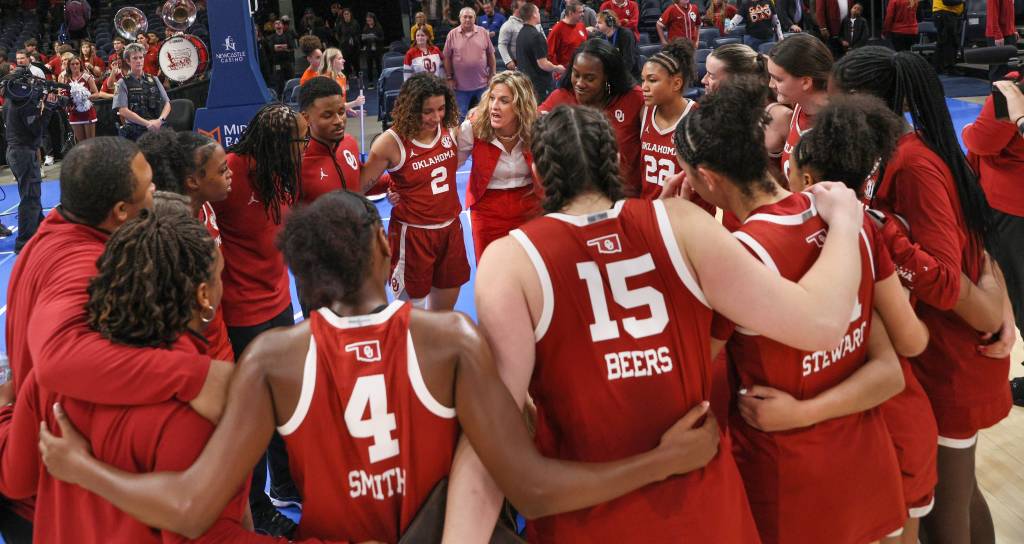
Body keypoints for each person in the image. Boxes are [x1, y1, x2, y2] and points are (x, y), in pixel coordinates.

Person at [33, 190, 734, 543]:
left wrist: (78, 469)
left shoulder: (274, 360)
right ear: (380, 249)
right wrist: (661, 462)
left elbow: (188, 507)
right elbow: (536, 490)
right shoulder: (450, 340)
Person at [442, 99, 870, 542]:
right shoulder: (681, 223)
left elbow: (490, 439)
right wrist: (843, 222)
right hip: (702, 511)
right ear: (617, 161)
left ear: (537, 173)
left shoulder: (510, 261)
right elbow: (822, 321)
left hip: (590, 516)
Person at [0, 206, 289, 543]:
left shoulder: (49, 381)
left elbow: (15, 479)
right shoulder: (203, 407)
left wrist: (5, 411)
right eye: (218, 275)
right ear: (204, 297)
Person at [701, 81, 906, 544]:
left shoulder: (739, 257)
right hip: (863, 456)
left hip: (790, 473)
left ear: (707, 177)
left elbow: (697, 374)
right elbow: (892, 368)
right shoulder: (846, 222)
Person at [0, 137, 229, 540]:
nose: (157, 190)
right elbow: (56, 360)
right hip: (68, 495)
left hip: (52, 490)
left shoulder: (46, 240)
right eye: (149, 186)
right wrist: (195, 375)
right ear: (121, 211)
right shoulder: (84, 266)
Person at [832, 47, 1013, 544]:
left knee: (942, 510)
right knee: (959, 495)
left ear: (869, 102)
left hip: (954, 357)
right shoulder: (895, 152)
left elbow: (946, 280)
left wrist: (884, 235)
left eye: (840, 97)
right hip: (940, 347)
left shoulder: (914, 164)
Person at [787, 95, 939, 543]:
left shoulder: (799, 243)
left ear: (808, 179)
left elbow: (905, 345)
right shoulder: (887, 224)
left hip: (870, 419)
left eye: (790, 166)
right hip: (885, 415)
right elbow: (913, 340)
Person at [213, 103, 307, 535]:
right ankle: (254, 504)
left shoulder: (283, 172)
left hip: (278, 301)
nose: (304, 147)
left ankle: (286, 483)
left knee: (286, 399)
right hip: (242, 311)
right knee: (253, 412)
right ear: (273, 144)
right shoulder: (231, 171)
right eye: (298, 140)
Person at [360, 73, 470, 311]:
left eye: (441, 109)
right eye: (427, 111)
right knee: (413, 320)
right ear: (411, 108)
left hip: (451, 231)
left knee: (442, 316)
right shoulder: (391, 143)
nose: (435, 117)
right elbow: (359, 186)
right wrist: (390, 185)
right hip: (413, 237)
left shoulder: (451, 130)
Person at [137, 129, 235, 363]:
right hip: (194, 357)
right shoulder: (165, 236)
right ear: (192, 180)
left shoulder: (205, 204)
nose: (230, 174)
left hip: (221, 340)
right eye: (222, 170)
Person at [965, 79, 1024, 407]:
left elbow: (982, 141)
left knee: (1019, 289)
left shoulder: (1014, 90)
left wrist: (968, 132)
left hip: (1013, 207)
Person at [457, 71, 541, 262]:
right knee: (491, 271)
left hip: (529, 206)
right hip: (487, 210)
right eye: (492, 98)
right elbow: (449, 165)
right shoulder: (473, 128)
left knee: (530, 270)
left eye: (504, 100)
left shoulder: (537, 127)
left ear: (520, 105)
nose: (494, 106)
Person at [541, 39, 645, 193]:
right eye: (576, 74)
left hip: (625, 200)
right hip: (577, 199)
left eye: (590, 78)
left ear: (608, 78)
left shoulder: (635, 99)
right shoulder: (560, 98)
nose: (580, 84)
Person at [702, 44, 792, 163]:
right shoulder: (720, 110)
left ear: (737, 79)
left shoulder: (778, 116)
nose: (703, 80)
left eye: (711, 76)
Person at [767, 33, 832, 180]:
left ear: (805, 82)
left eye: (777, 79)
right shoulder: (799, 105)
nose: (770, 84)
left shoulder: (837, 127)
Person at [3, 63, 53, 249]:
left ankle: (41, 229)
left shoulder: (11, 99)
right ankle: (24, 242)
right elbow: (36, 130)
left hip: (15, 151)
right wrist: (47, 110)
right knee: (30, 197)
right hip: (23, 152)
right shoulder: (23, 102)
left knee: (31, 194)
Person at [639, 40, 695, 199]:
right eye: (643, 80)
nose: (644, 87)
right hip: (653, 213)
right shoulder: (645, 113)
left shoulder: (697, 117)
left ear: (676, 83)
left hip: (688, 216)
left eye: (652, 80)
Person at [298, 77, 363, 205]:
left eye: (341, 112)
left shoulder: (349, 142)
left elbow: (358, 182)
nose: (339, 121)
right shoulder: (297, 163)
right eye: (328, 115)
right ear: (306, 118)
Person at [443, 7, 497, 118]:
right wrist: (449, 78)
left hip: (483, 84)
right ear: (460, 18)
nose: (467, 19)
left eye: (470, 17)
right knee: (460, 117)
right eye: (465, 17)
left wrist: (492, 74)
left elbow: (491, 55)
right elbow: (447, 58)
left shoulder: (483, 32)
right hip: (460, 87)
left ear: (475, 18)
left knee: (487, 114)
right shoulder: (452, 34)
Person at [113, 43, 171, 141]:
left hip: (157, 126)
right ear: (127, 61)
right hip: (135, 130)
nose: (139, 61)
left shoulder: (154, 79)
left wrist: (160, 121)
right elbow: (122, 110)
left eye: (141, 57)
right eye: (135, 58)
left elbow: (167, 103)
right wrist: (147, 124)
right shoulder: (122, 83)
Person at [516, 3, 564, 101]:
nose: (539, 14)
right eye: (538, 12)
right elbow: (543, 64)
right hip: (539, 86)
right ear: (533, 14)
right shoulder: (536, 36)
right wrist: (557, 68)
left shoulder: (521, 33)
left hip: (526, 83)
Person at [58, 56, 98, 143]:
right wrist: (67, 104)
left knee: (90, 142)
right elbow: (61, 93)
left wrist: (85, 97)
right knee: (81, 143)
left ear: (80, 64)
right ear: (69, 66)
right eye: (72, 64)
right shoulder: (65, 78)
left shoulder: (87, 77)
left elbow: (96, 93)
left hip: (87, 112)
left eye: (77, 63)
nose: (75, 66)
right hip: (74, 112)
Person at [498, 0, 542, 71]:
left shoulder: (534, 22)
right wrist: (508, 61)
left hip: (537, 62)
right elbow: (502, 44)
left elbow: (544, 41)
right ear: (515, 9)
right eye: (523, 8)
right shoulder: (507, 25)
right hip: (519, 65)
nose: (526, 10)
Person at [547, 2, 588, 77]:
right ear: (571, 13)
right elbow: (549, 53)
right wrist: (557, 69)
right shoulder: (557, 29)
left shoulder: (581, 26)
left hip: (581, 69)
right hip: (566, 73)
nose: (583, 14)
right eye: (580, 12)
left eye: (583, 11)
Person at [597, 10, 640, 80]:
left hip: (630, 75)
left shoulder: (626, 34)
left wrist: (619, 78)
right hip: (612, 74)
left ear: (609, 23)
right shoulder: (601, 37)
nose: (596, 25)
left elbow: (629, 61)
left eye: (599, 23)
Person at [931, 0, 963, 73]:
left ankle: (938, 67)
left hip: (945, 13)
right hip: (945, 13)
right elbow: (947, 1)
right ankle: (950, 68)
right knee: (949, 42)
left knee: (942, 42)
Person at [268, 19, 297, 98]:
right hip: (277, 63)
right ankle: (280, 97)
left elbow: (291, 46)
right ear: (274, 27)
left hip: (288, 61)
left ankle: (291, 96)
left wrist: (279, 47)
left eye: (279, 23)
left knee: (290, 79)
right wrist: (283, 47)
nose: (278, 25)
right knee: (279, 81)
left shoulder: (287, 36)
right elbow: (271, 48)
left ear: (282, 26)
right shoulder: (272, 37)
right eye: (276, 24)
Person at [335, 8, 361, 79]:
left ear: (350, 14)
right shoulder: (340, 24)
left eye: (347, 14)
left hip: (354, 47)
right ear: (343, 15)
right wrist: (342, 41)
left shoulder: (355, 23)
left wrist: (355, 39)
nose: (346, 15)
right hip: (345, 47)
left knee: (356, 64)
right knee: (346, 64)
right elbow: (337, 34)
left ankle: (359, 80)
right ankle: (346, 81)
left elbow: (359, 33)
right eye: (345, 14)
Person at [361, 12, 386, 86]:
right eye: (367, 20)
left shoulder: (378, 27)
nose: (369, 21)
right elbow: (362, 39)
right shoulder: (365, 28)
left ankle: (380, 80)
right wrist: (365, 38)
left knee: (378, 66)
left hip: (377, 49)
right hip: (369, 49)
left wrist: (375, 38)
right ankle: (370, 82)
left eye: (370, 20)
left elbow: (382, 38)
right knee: (369, 66)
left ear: (373, 19)